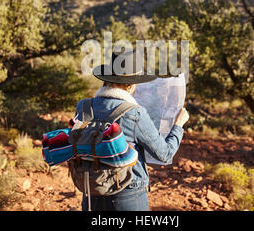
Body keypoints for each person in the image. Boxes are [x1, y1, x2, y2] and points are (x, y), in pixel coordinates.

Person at [75, 49, 189, 211]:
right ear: (130, 86)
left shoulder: (83, 106)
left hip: (91, 190)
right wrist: (178, 125)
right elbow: (165, 154)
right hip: (127, 193)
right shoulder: (134, 113)